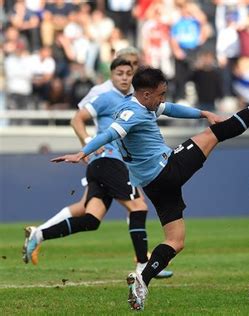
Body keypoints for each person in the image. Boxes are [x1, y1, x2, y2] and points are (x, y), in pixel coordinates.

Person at [50, 64, 249, 310]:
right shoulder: (134, 113)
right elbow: (110, 134)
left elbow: (170, 109)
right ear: (146, 94)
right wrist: (82, 152)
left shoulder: (140, 104)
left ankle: (143, 279)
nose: (163, 99)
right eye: (160, 94)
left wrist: (202, 112)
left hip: (154, 184)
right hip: (167, 170)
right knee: (216, 133)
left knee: (176, 240)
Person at [22, 47, 173, 278]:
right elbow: (78, 119)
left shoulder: (136, 99)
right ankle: (143, 264)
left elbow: (165, 109)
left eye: (128, 72)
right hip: (110, 161)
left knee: (91, 219)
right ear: (111, 75)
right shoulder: (103, 95)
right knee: (138, 207)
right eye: (119, 72)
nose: (124, 77)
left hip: (102, 165)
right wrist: (89, 144)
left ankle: (40, 235)